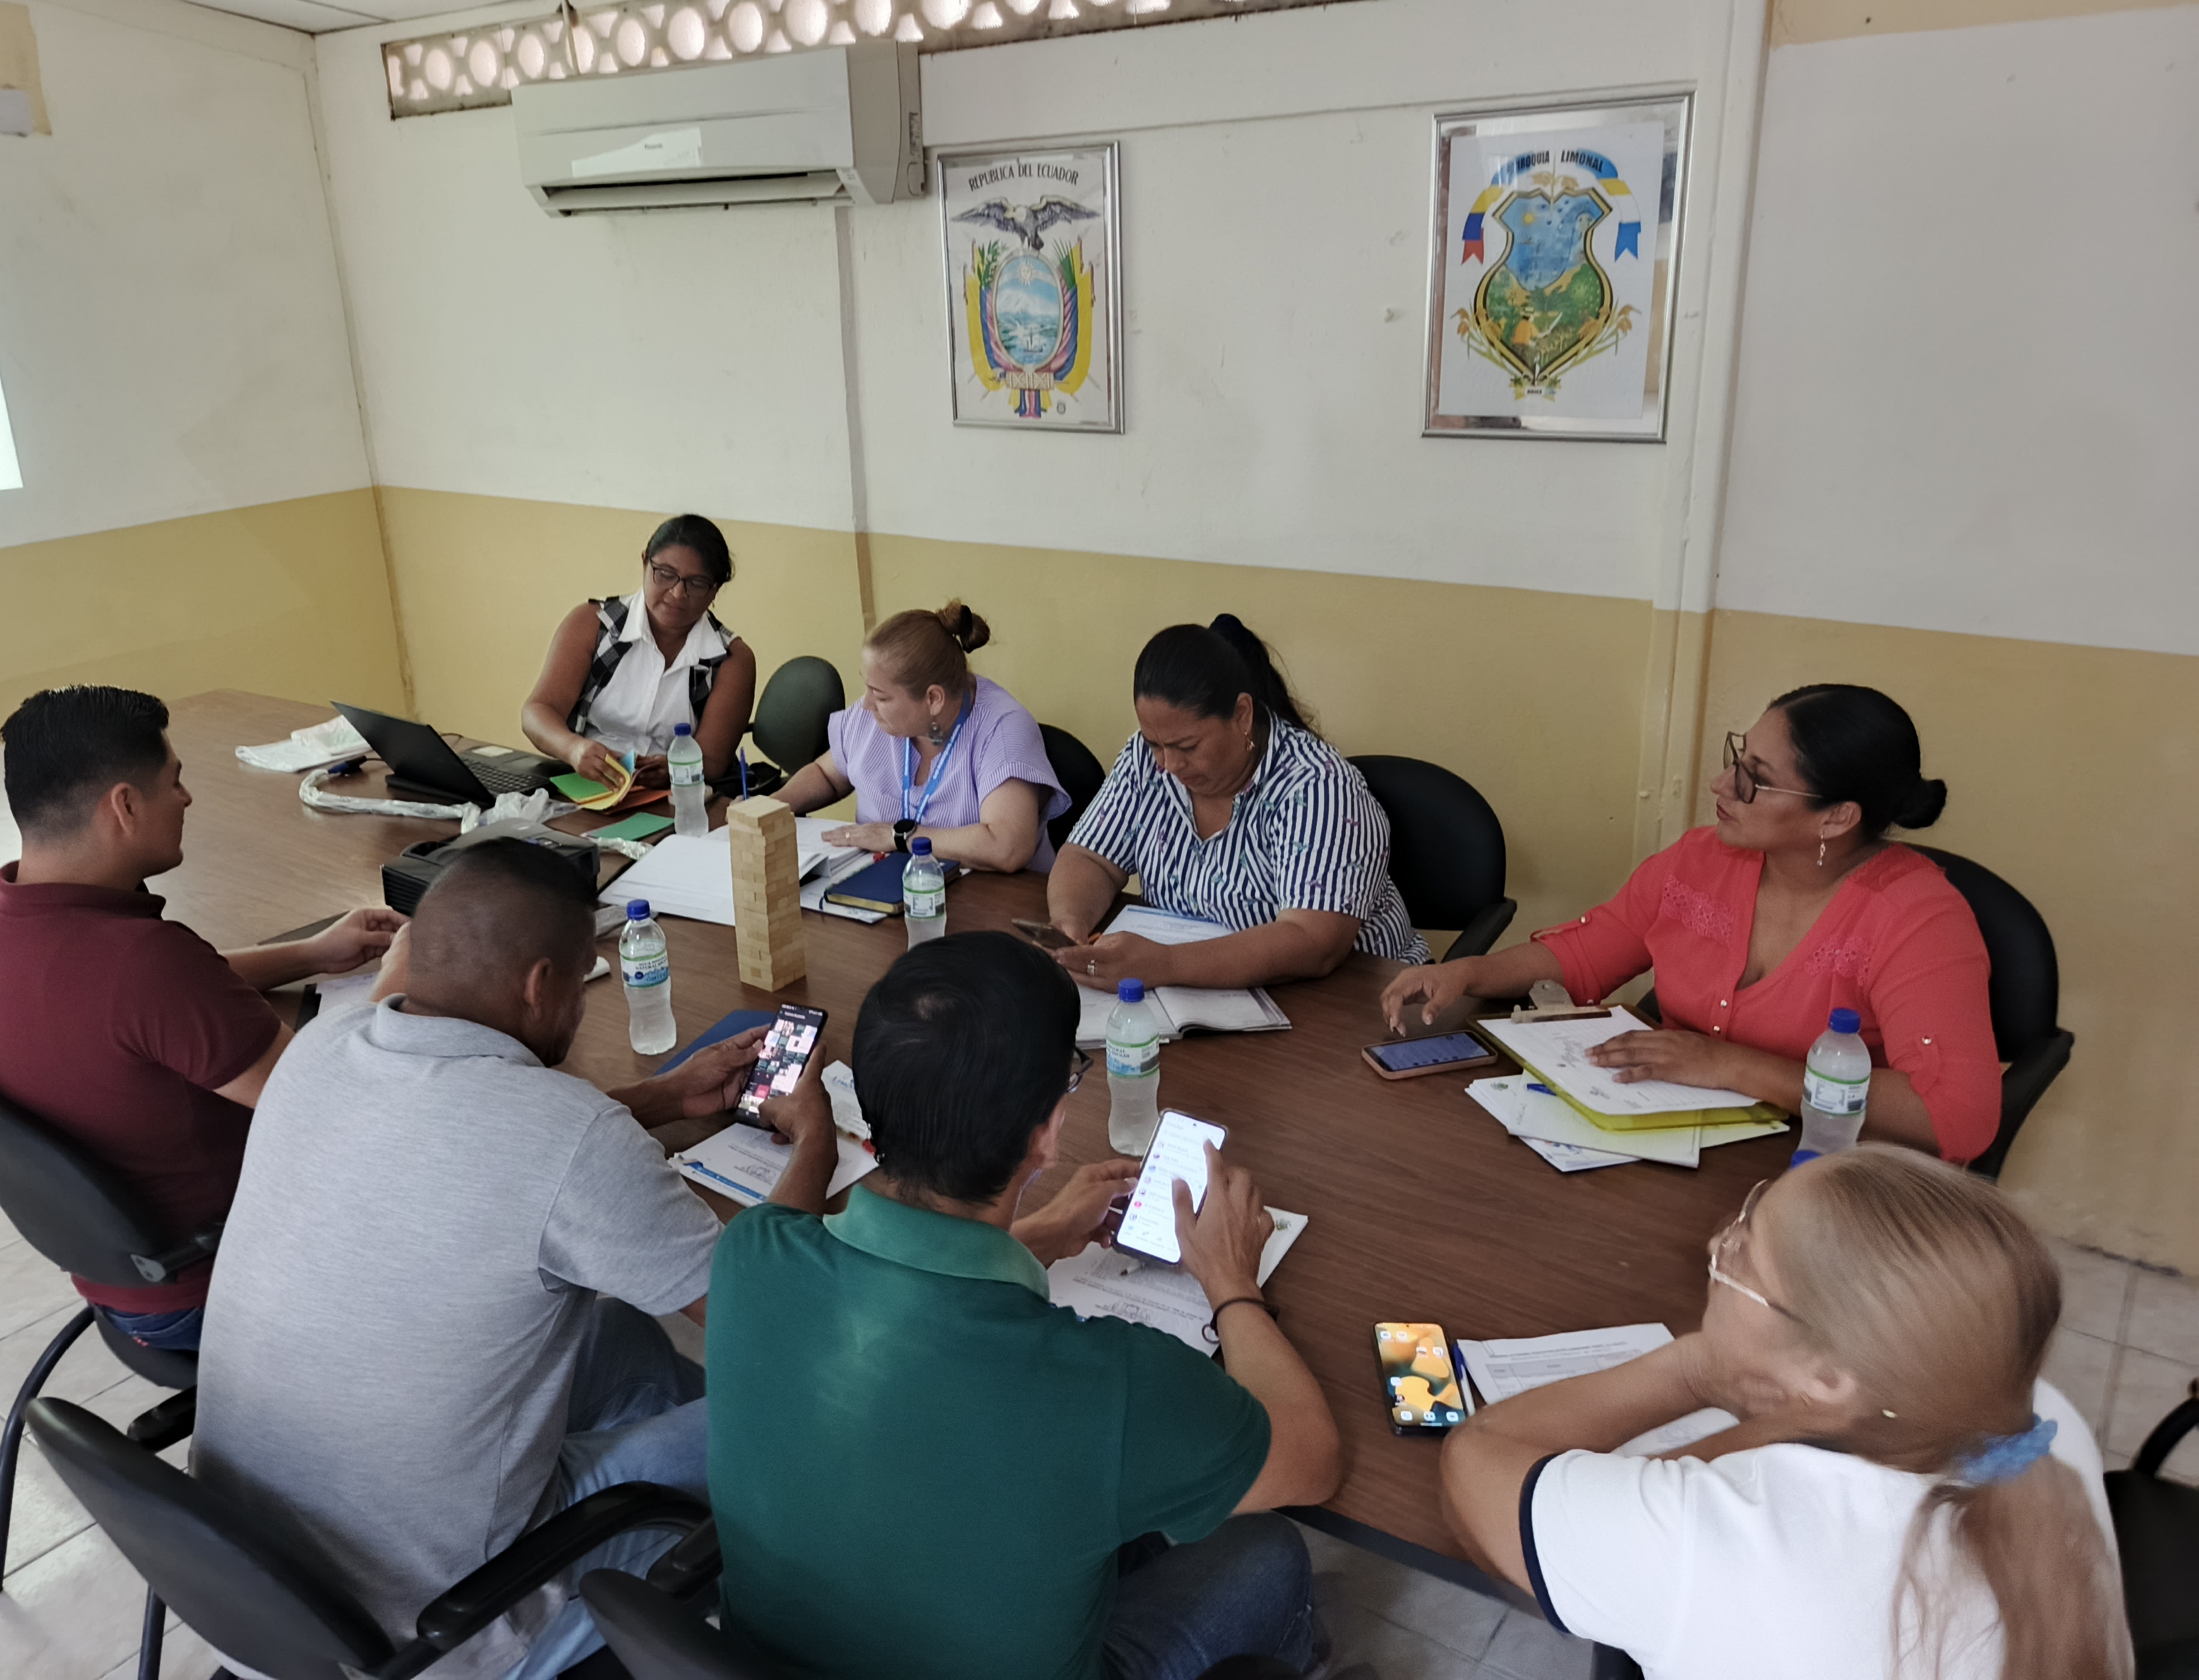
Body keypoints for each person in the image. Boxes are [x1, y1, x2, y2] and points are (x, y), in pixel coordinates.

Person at [193, 838, 837, 1679]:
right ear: (540, 984)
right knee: (800, 1413)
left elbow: (477, 1134)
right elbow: (769, 1318)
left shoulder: (320, 1046)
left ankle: (722, 1512)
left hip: (254, 1584)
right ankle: (750, 1551)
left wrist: (664, 1095)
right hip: (444, 1624)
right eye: (580, 981)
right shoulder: (572, 1137)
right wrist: (813, 1143)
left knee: (620, 1333)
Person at [705, 932, 1342, 1680]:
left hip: (774, 1659)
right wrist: (1231, 1281)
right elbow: (1311, 1460)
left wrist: (1034, 1236)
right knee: (1265, 1550)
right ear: (1048, 1134)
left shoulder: (750, 1253)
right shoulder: (1108, 1383)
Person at [1440, 1146, 2129, 1680]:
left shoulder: (1723, 1544)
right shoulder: (2036, 1417)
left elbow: (1480, 1464)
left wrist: (1693, 1368)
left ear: (1828, 1377)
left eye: (1744, 1251)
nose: (1717, 1246)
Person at [1383, 684, 2001, 1162]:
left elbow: (1953, 1117)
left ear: (1836, 818)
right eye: (1738, 758)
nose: (1721, 784)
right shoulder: (1702, 861)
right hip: (1673, 1144)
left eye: (1756, 780)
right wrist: (1469, 972)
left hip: (1823, 1174)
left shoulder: (1917, 920)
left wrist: (1731, 1065)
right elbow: (1588, 953)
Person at [0, 686, 400, 1353]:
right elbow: (327, 1098)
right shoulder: (142, 963)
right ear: (125, 805)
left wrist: (312, 954)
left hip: (127, 1275)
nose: (187, 799)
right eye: (175, 782)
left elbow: (154, 1001)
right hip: (218, 1284)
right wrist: (403, 978)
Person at [1047, 616, 1428, 992]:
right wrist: (1070, 925)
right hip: (1203, 992)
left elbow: (1314, 941)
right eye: (1155, 744)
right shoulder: (1147, 760)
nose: (1169, 765)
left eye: (1187, 747)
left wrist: (1165, 964)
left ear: (1242, 715)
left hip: (1358, 999)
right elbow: (1090, 857)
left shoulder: (1317, 786)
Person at [771, 601, 1068, 872]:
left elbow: (1007, 847)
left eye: (881, 696)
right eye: (868, 688)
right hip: (884, 885)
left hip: (992, 899)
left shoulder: (1003, 729)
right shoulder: (873, 717)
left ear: (933, 699)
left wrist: (899, 837)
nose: (866, 705)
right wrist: (771, 807)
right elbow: (827, 775)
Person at [522, 513, 758, 790]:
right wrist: (573, 749)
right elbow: (538, 711)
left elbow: (713, 760)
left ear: (715, 590)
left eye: (696, 584)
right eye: (665, 575)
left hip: (677, 794)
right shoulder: (594, 625)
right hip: (585, 783)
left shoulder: (731, 660)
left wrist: (673, 770)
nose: (677, 593)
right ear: (645, 562)